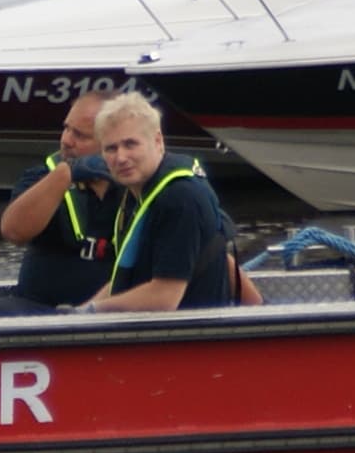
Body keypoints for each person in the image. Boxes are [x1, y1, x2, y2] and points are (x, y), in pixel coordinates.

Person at [83, 91, 251, 314]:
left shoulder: (180, 198)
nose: (120, 158)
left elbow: (164, 297)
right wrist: (79, 311)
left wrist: (91, 312)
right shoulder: (138, 192)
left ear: (157, 141)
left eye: (130, 144)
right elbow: (123, 280)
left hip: (191, 336)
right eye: (110, 148)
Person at [0, 92, 121, 311]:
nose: (66, 140)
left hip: (113, 313)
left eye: (81, 136)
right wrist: (66, 174)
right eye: (66, 128)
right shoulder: (39, 177)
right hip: (37, 309)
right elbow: (14, 232)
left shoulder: (138, 186)